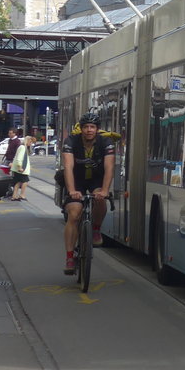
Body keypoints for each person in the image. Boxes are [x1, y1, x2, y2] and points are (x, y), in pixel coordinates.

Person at [61, 113, 115, 275]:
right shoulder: (71, 141)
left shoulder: (106, 142)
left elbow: (109, 168)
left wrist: (105, 191)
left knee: (100, 198)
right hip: (76, 180)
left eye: (92, 127)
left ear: (97, 130)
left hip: (96, 180)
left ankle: (96, 229)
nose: (89, 130)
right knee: (74, 213)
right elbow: (68, 167)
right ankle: (70, 257)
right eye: (85, 127)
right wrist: (71, 191)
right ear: (81, 130)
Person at [10, 136, 34, 201]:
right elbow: (19, 158)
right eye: (30, 142)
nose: (31, 143)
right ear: (27, 141)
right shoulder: (23, 148)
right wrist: (19, 167)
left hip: (19, 169)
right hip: (20, 169)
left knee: (18, 182)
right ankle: (22, 195)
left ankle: (14, 196)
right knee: (25, 181)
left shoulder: (23, 147)